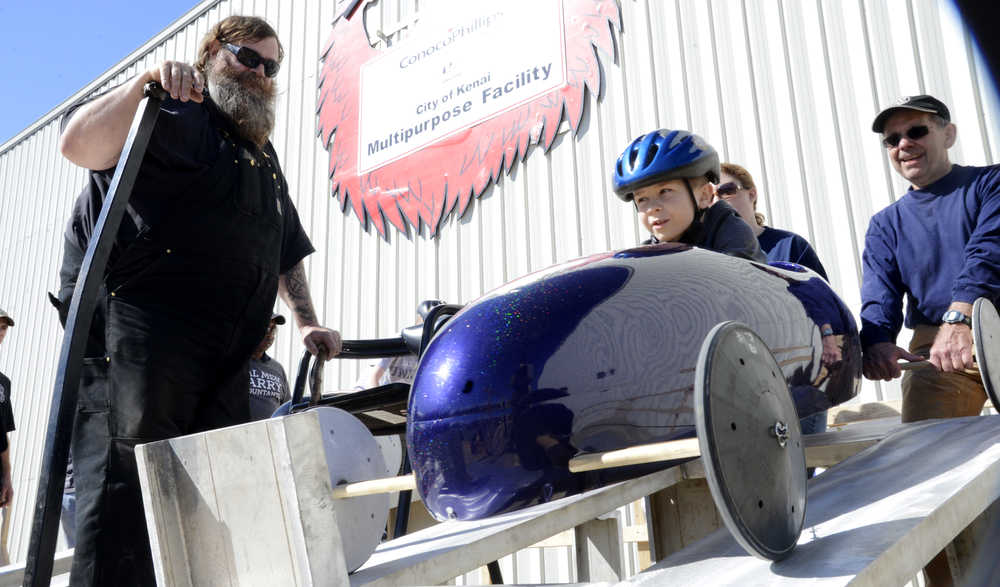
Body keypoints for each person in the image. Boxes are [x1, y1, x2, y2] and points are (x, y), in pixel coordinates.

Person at [57, 15, 342, 586]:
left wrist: (309, 323)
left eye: (272, 66)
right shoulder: (171, 109)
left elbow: (284, 249)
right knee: (126, 493)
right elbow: (76, 144)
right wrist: (146, 84)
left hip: (229, 355)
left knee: (220, 492)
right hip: (143, 340)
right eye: (247, 57)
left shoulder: (263, 159)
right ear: (212, 53)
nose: (261, 73)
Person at [861, 94, 1000, 424]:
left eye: (916, 132)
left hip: (983, 320)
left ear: (948, 134)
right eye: (893, 140)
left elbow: (989, 250)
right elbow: (880, 292)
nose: (904, 144)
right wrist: (878, 342)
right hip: (937, 349)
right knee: (926, 449)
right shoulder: (885, 224)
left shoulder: (991, 183)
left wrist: (961, 315)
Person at [716, 162, 834, 437]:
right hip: (740, 384)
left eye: (728, 190)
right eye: (713, 195)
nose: (721, 199)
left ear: (752, 193)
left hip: (798, 379)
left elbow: (823, 309)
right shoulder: (707, 256)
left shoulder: (790, 245)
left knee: (801, 470)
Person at [611, 129, 765, 261]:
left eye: (665, 191)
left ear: (704, 196)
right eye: (642, 199)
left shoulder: (731, 232)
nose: (652, 208)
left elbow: (738, 285)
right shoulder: (648, 253)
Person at [248, 313, 291, 421]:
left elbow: (287, 409)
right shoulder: (233, 363)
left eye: (273, 329)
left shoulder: (277, 368)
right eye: (266, 328)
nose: (270, 335)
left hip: (271, 435)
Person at [0, 309, 15, 510]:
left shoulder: (3, 383)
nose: (0, 332)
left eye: (3, 328)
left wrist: (7, 477)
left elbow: (3, 433)